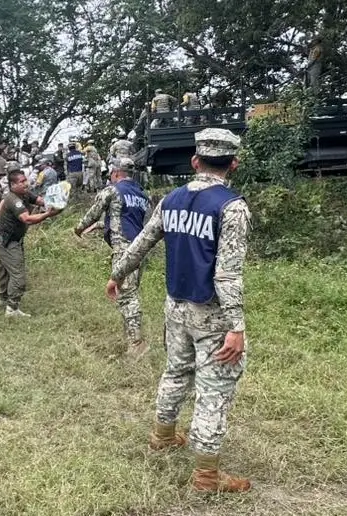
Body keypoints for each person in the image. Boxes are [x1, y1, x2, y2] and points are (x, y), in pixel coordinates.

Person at [106, 128, 252, 493]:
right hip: (212, 313)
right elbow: (227, 272)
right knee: (214, 389)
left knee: (175, 372)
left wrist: (117, 274)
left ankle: (163, 435)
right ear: (233, 164)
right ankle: (206, 476)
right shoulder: (232, 207)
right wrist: (236, 325)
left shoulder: (170, 199)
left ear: (195, 162)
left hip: (175, 307)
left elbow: (141, 242)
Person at [74, 157, 150, 359]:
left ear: (115, 173)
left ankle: (137, 344)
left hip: (123, 249)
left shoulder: (112, 190)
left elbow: (94, 211)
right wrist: (99, 226)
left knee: (127, 295)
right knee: (130, 292)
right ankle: (130, 338)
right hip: (140, 248)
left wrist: (79, 228)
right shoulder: (142, 194)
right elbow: (126, 217)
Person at [0, 169, 62, 317]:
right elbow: (27, 219)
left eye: (26, 180)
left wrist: (53, 202)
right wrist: (47, 214)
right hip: (5, 240)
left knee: (5, 270)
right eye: (22, 182)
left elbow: (40, 200)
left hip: (8, 238)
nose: (26, 183)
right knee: (18, 274)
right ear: (13, 185)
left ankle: (3, 298)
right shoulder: (13, 200)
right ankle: (12, 308)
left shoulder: (24, 194)